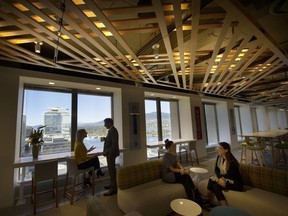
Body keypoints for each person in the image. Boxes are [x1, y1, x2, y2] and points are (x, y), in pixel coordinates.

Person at [162, 139, 203, 203]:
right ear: (168, 147)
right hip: (168, 175)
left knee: (185, 178)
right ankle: (194, 197)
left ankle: (195, 195)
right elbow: (171, 169)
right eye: (173, 146)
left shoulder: (174, 154)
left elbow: (178, 163)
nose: (174, 147)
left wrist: (183, 169)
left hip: (174, 173)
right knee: (185, 178)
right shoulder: (166, 156)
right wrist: (181, 171)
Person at [206, 142, 243, 206]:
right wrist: (220, 178)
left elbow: (232, 176)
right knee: (215, 186)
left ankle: (206, 199)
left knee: (212, 179)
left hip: (236, 183)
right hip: (226, 179)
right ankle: (224, 207)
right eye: (218, 147)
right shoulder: (219, 157)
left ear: (226, 150)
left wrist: (221, 179)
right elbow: (216, 169)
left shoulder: (232, 161)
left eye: (220, 148)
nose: (218, 149)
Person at [102, 118, 120, 196]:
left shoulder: (113, 131)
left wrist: (110, 154)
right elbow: (112, 141)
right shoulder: (111, 130)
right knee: (111, 171)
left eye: (105, 123)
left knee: (112, 171)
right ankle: (112, 185)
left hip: (111, 154)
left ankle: (113, 189)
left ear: (109, 123)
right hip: (110, 154)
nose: (104, 125)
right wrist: (105, 139)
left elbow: (115, 144)